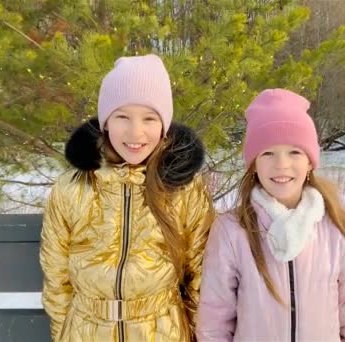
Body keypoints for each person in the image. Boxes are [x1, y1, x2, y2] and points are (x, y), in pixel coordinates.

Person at [40, 54, 215, 342]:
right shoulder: (72, 188)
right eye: (122, 117)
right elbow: (57, 276)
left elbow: (201, 277)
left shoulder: (184, 189)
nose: (136, 132)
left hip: (162, 331)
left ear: (164, 125)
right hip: (87, 330)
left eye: (149, 118)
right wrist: (63, 334)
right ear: (106, 122)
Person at [196, 89, 345, 341]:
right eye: (268, 153)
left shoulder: (338, 227)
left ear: (310, 162)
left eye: (294, 152)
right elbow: (214, 321)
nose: (281, 164)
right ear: (253, 164)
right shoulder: (232, 231)